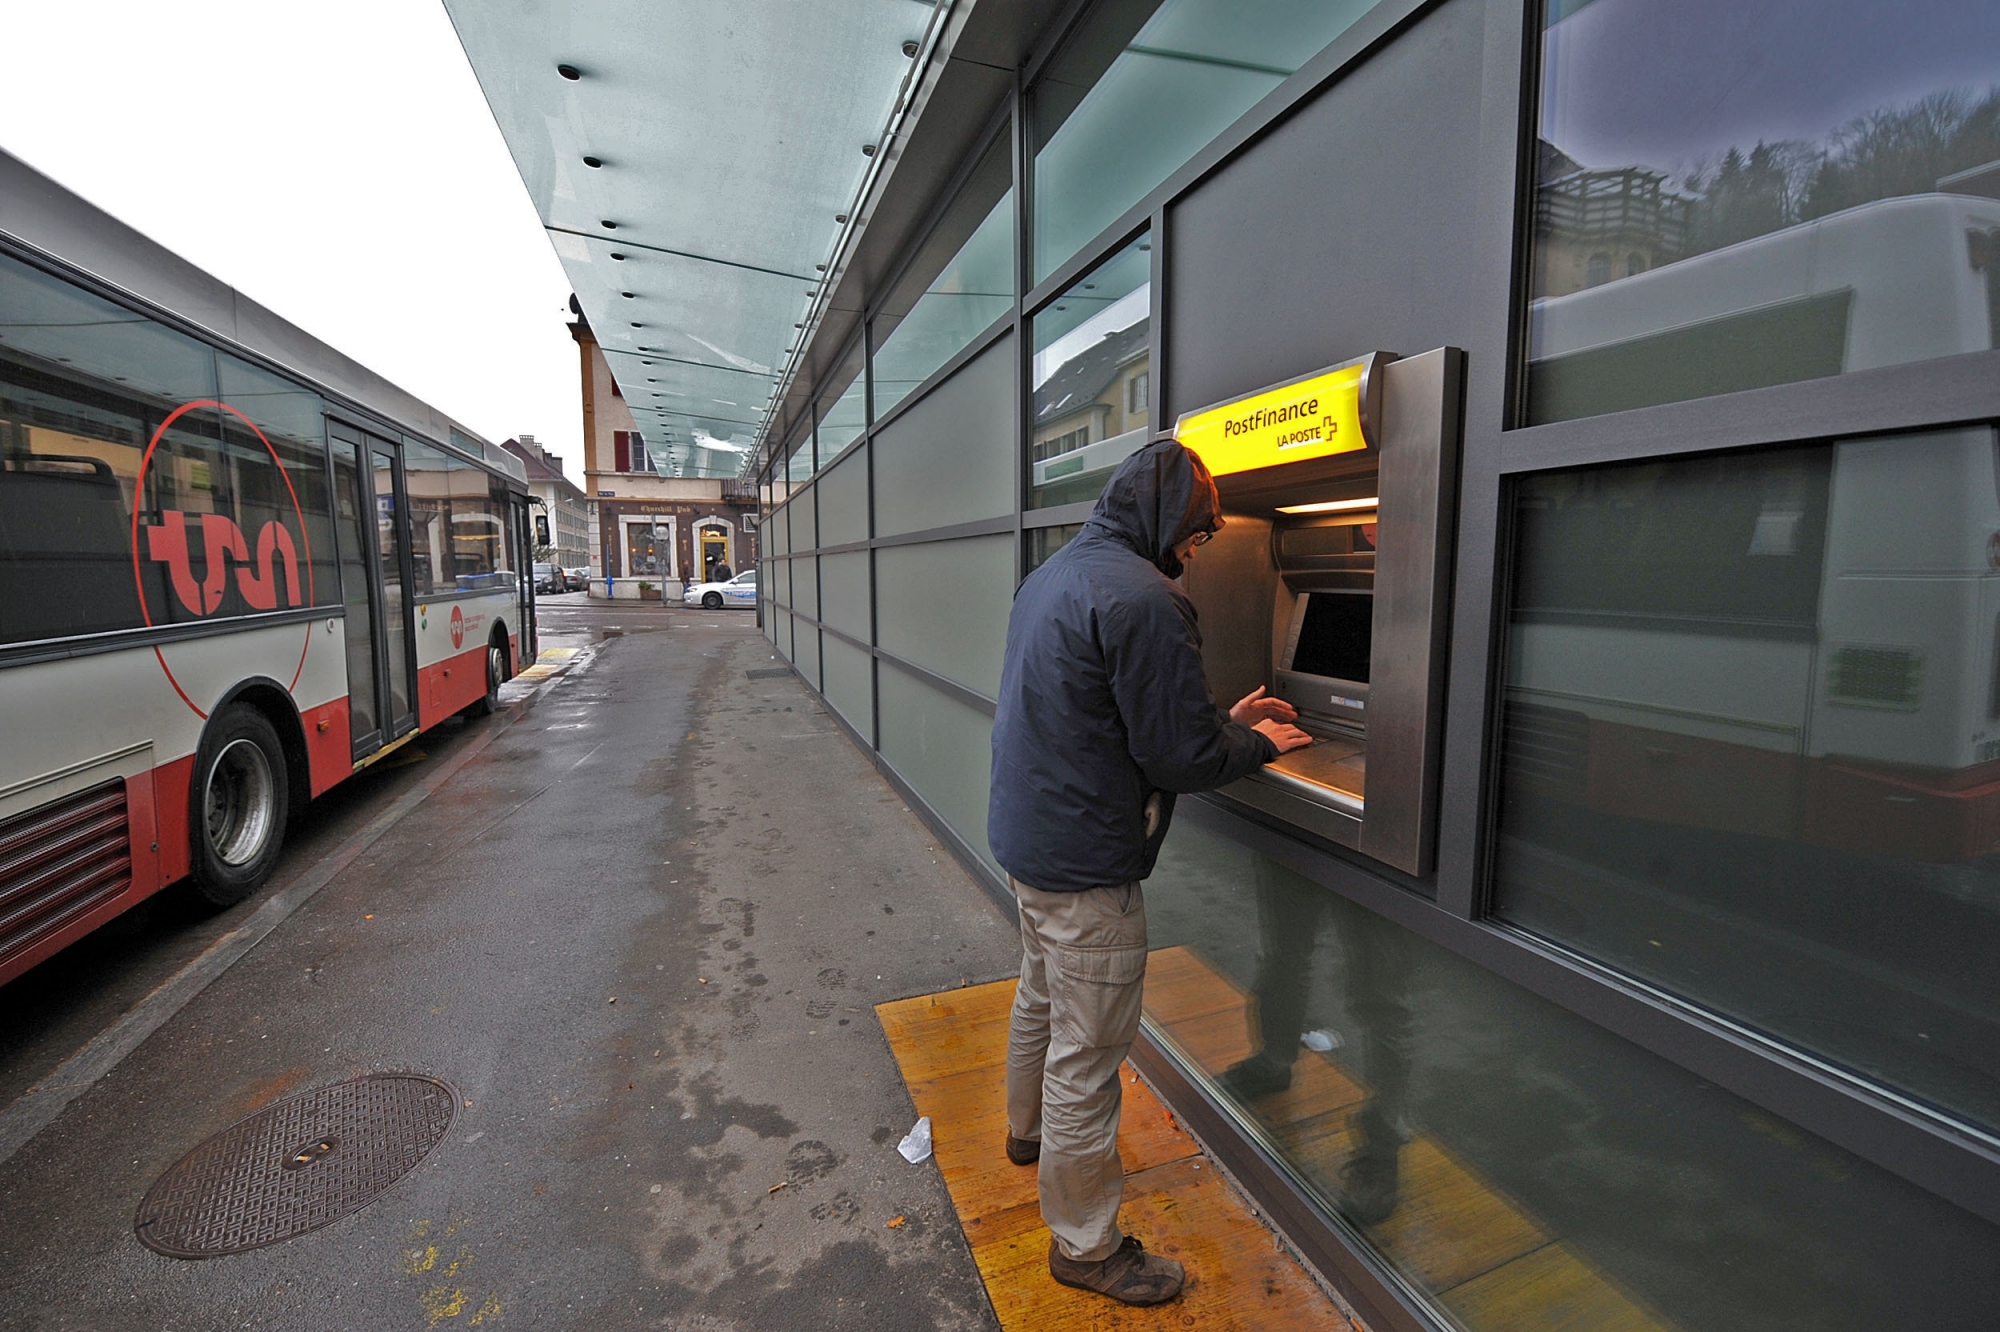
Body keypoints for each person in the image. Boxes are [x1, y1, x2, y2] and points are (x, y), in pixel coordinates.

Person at [988, 438, 1313, 1306]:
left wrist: (1221, 718)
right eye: (1196, 536)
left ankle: (1024, 1137)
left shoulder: (1056, 576)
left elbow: (1111, 707)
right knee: (1087, 1057)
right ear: (1169, 522)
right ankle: (1086, 1246)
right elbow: (1176, 754)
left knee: (1040, 996)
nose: (1196, 553)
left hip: (1030, 840)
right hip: (1088, 861)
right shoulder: (1147, 597)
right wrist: (1256, 742)